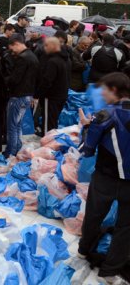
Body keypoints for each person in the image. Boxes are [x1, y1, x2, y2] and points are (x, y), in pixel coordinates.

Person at [78, 73, 130, 284]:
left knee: (93, 216)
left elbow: (87, 150)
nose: (102, 94)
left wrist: (86, 127)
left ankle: (83, 251)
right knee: (126, 228)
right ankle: (110, 271)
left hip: (105, 178)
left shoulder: (104, 116)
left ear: (114, 90)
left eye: (104, 90)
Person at [4, 34, 39, 157]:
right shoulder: (32, 56)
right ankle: (17, 148)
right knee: (17, 125)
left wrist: (4, 80)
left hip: (18, 96)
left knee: (12, 126)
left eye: (12, 49)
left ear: (16, 44)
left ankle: (11, 152)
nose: (12, 52)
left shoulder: (22, 58)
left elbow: (15, 79)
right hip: (27, 96)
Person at [34, 37, 69, 135]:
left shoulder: (53, 61)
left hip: (51, 97)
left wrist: (37, 94)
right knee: (53, 121)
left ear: (53, 46)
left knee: (48, 124)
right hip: (61, 95)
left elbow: (47, 81)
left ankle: (47, 142)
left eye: (46, 45)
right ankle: (51, 140)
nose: (44, 47)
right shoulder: (64, 59)